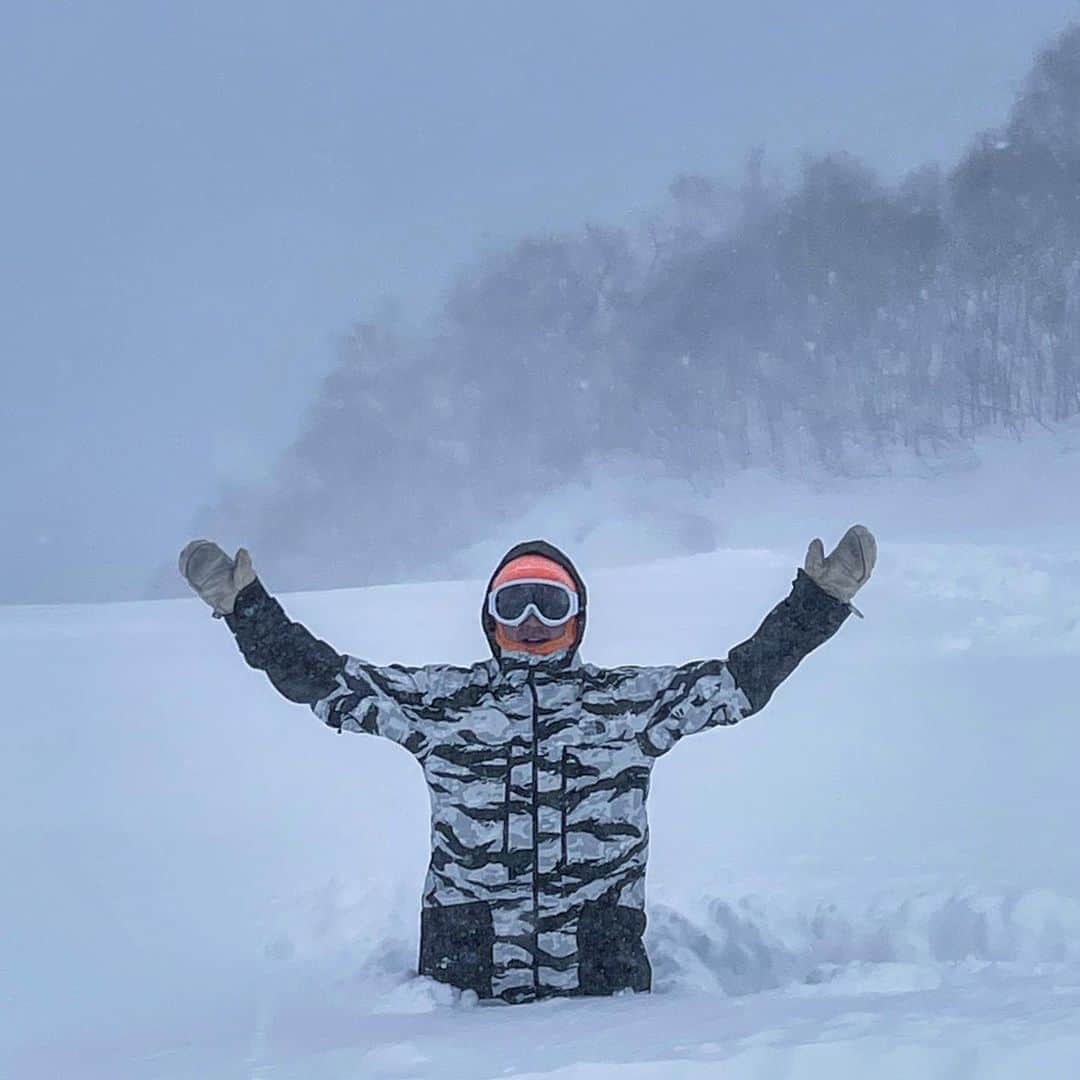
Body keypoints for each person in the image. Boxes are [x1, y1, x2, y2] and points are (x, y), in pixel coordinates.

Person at [179, 528, 876, 1005]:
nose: (534, 618)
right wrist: (249, 612)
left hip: (608, 1008)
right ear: (491, 619)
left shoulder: (627, 706)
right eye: (514, 603)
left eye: (552, 600)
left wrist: (814, 607)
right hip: (461, 1004)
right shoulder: (445, 705)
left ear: (578, 617)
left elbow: (737, 683)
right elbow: (329, 683)